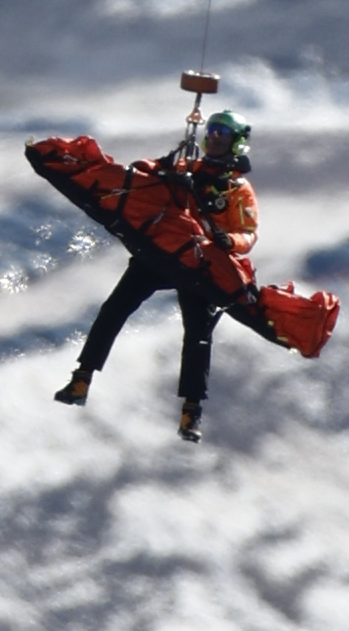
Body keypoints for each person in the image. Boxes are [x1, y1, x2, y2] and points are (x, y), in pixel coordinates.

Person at [55, 109, 257, 443]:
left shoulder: (238, 190)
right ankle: (81, 379)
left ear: (236, 141)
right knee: (114, 309)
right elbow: (147, 173)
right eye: (214, 130)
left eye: (223, 132)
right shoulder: (186, 165)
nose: (216, 136)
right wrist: (163, 168)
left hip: (200, 263)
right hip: (163, 250)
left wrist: (229, 241)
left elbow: (248, 232)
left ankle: (191, 411)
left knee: (198, 333)